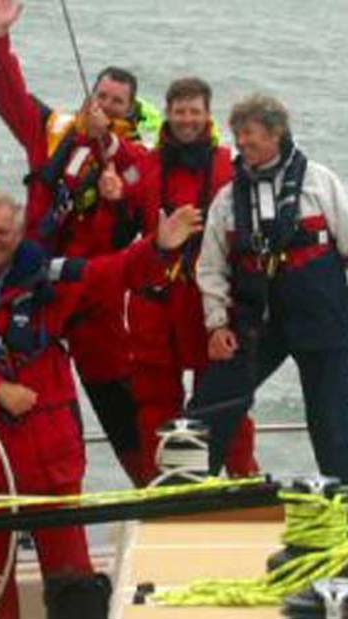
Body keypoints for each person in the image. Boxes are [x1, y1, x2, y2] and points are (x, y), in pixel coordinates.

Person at [0, 190, 202, 618]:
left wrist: (159, 246)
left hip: (49, 452)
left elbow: (112, 273)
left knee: (71, 572)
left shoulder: (50, 276)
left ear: (18, 234)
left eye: (3, 231)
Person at [0, 0, 150, 486]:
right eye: (101, 95)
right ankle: (44, 500)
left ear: (129, 110)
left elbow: (147, 198)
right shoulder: (52, 132)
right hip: (39, 290)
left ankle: (151, 489)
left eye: (117, 101)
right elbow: (7, 96)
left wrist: (117, 178)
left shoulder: (136, 156)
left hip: (97, 300)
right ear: (88, 97)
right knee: (34, 406)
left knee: (121, 404)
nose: (106, 105)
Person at [101, 77, 259, 482]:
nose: (187, 120)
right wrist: (115, 197)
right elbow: (121, 227)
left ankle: (243, 482)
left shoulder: (231, 166)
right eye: (179, 111)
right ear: (167, 114)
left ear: (208, 115)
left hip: (211, 303)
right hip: (154, 303)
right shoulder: (144, 167)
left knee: (224, 399)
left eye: (194, 111)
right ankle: (174, 490)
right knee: (156, 404)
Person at [189, 93, 348, 481]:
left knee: (332, 420)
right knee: (211, 404)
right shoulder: (227, 199)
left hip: (321, 319)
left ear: (276, 133)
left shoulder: (319, 183)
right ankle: (184, 491)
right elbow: (211, 267)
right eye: (237, 135)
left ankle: (342, 505)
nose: (241, 143)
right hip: (256, 320)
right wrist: (216, 324)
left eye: (250, 134)